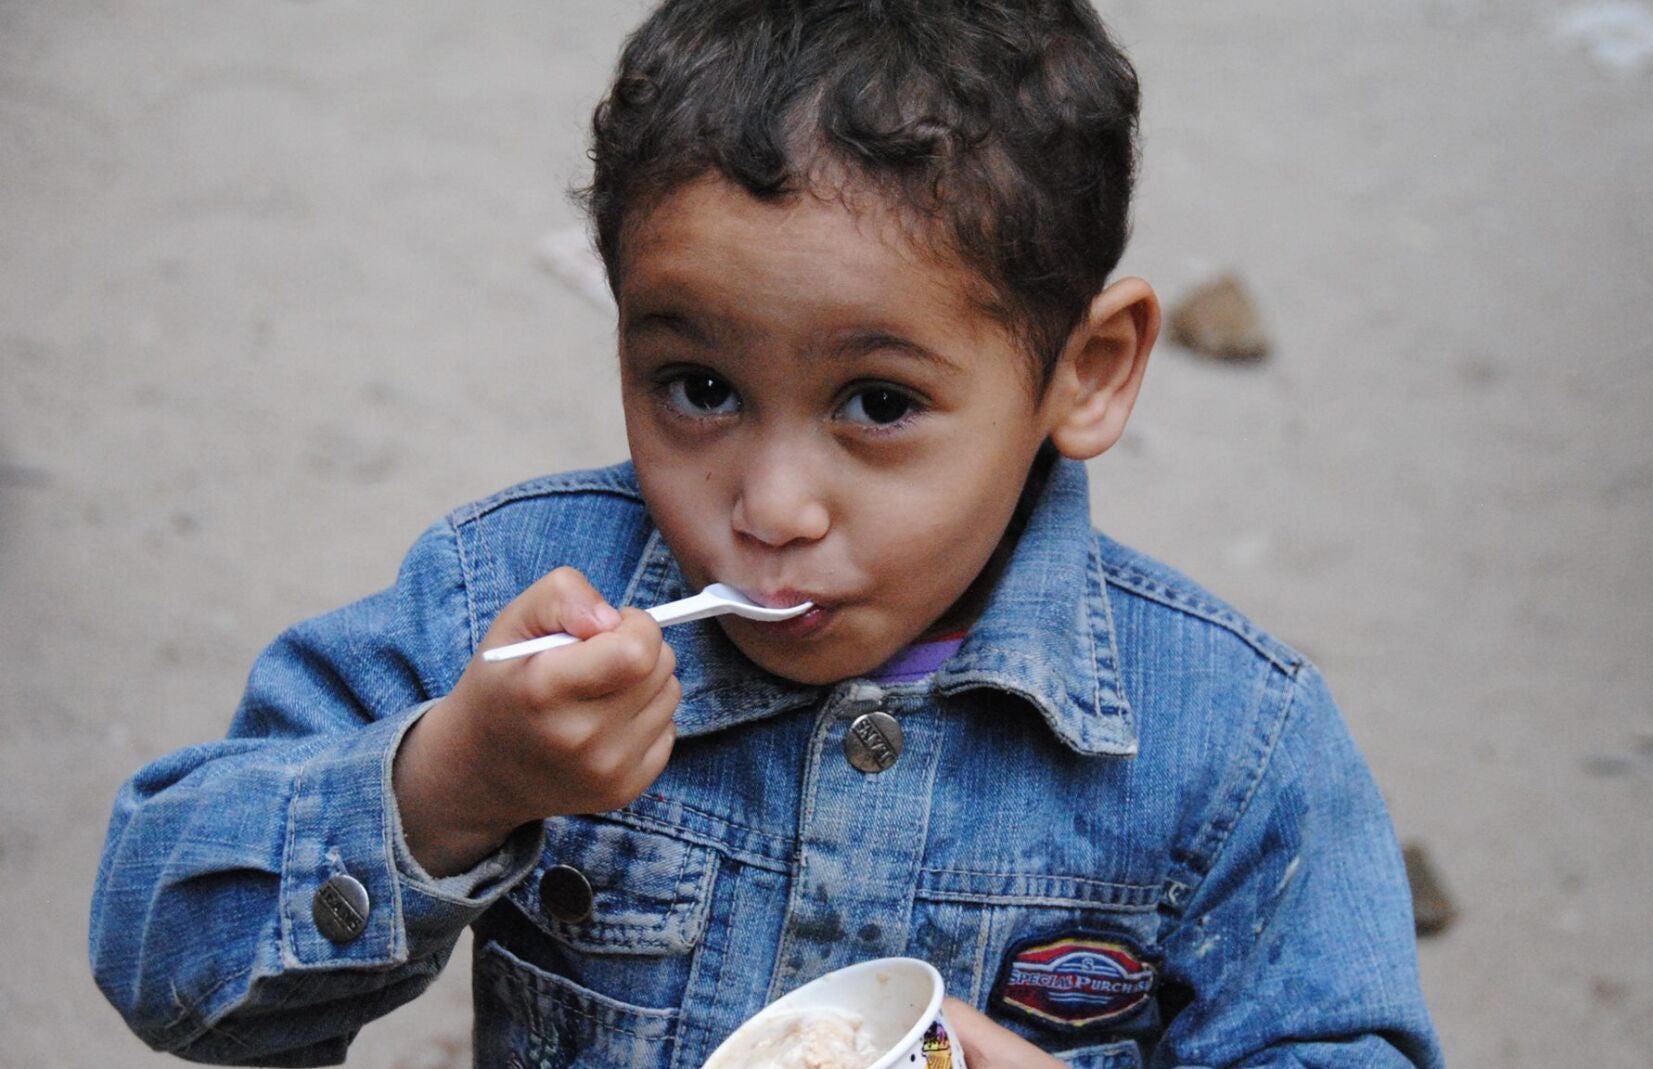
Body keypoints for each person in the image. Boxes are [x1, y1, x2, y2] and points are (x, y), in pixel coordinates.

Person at [90, 2, 1443, 1066]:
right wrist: (453, 783)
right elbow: (159, 950)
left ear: (1085, 369)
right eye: (698, 387)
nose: (772, 507)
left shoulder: (1235, 748)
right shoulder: (509, 613)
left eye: (878, 402)